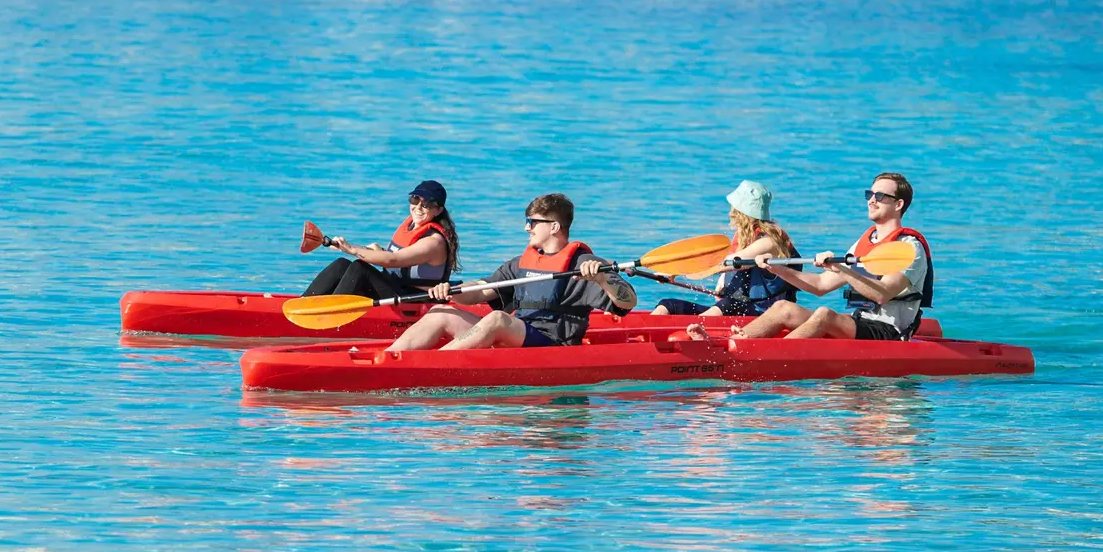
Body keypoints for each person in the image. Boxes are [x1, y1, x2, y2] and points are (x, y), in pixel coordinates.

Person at [689, 172, 932, 341]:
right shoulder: (864, 242)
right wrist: (777, 269)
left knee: (825, 314)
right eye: (870, 194)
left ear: (898, 204)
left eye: (880, 196)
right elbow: (819, 286)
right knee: (783, 307)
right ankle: (735, 343)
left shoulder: (909, 248)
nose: (871, 200)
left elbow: (882, 293)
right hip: (860, 322)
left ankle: (769, 356)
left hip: (889, 330)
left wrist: (842, 270)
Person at [385, 193, 638, 351]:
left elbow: (628, 302)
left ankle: (434, 366)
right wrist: (450, 291)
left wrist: (602, 278)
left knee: (497, 319)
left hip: (552, 345)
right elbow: (481, 290)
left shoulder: (585, 264)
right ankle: (390, 360)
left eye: (532, 223)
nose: (527, 228)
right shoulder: (520, 263)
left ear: (554, 227)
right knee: (442, 311)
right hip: (518, 335)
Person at [651, 180, 799, 317]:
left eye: (733, 209)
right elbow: (724, 278)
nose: (730, 214)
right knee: (667, 305)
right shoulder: (742, 239)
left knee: (730, 304)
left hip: (762, 316)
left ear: (741, 213)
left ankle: (690, 333)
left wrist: (676, 271)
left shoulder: (770, 242)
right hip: (734, 308)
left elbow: (725, 263)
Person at [302, 180, 460, 298]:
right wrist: (350, 247)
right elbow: (393, 258)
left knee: (360, 268)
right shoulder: (412, 226)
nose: (418, 207)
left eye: (426, 204)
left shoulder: (433, 242)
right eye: (415, 200)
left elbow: (393, 260)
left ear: (438, 210)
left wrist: (351, 249)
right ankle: (304, 302)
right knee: (342, 264)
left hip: (411, 300)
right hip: (393, 288)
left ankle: (330, 314)